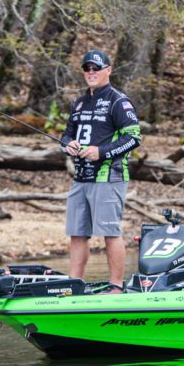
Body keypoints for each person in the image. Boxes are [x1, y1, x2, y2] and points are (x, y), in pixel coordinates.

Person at [61, 49, 141, 293]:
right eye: (87, 68)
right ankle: (75, 284)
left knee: (109, 232)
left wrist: (101, 152)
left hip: (109, 178)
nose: (91, 72)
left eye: (96, 68)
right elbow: (66, 135)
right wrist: (68, 145)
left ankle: (116, 286)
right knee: (77, 233)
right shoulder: (79, 102)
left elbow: (134, 138)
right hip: (81, 177)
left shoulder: (119, 101)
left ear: (108, 70)